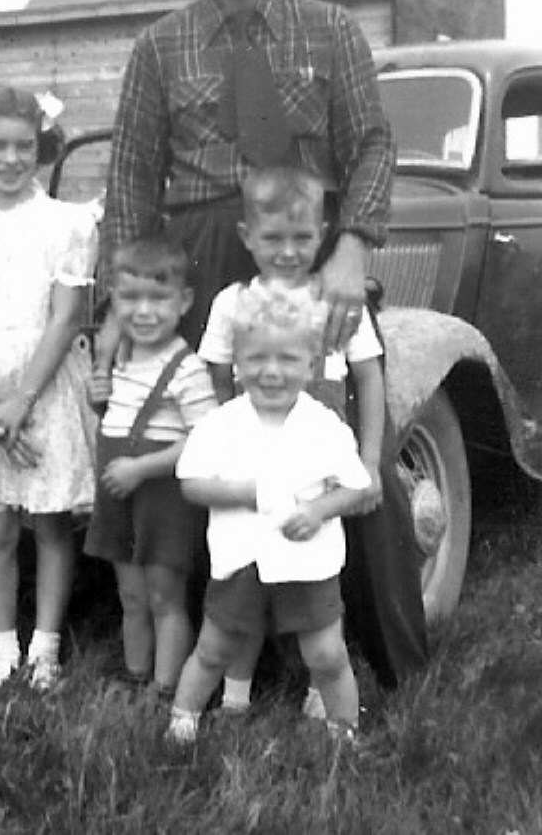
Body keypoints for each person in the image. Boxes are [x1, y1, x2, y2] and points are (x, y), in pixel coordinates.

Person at [100, 0, 395, 353]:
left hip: (308, 256)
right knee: (198, 416)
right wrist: (118, 306)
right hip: (197, 263)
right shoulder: (159, 46)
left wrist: (351, 249)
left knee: (326, 411)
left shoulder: (332, 30)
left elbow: (372, 147)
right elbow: (131, 183)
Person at [198, 164, 393, 710]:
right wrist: (225, 451)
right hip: (255, 459)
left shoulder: (336, 299)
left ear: (324, 232)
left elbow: (369, 375)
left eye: (303, 238)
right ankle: (239, 685)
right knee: (244, 566)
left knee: (324, 569)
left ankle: (319, 682)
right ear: (247, 237)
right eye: (273, 239)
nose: (288, 251)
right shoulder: (231, 302)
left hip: (320, 463)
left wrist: (370, 460)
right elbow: (215, 377)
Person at [0, 83, 97, 691]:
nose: (10, 158)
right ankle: (3, 651)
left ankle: (45, 648)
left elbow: (66, 318)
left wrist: (21, 401)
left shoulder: (69, 223)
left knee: (52, 521)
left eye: (24, 146)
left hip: (45, 383)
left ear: (44, 149)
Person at [167, 281, 371, 745]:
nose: (272, 372)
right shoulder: (221, 425)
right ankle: (182, 720)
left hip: (307, 562)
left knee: (326, 653)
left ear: (312, 363)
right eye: (257, 359)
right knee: (215, 646)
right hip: (242, 556)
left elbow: (355, 486)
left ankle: (345, 733)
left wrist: (319, 510)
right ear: (237, 364)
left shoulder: (323, 425)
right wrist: (242, 492)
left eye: (287, 360)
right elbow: (191, 483)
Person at [83, 235, 218, 697]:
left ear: (183, 302)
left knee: (164, 595)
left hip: (161, 498)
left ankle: (164, 688)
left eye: (158, 299)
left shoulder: (186, 367)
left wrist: (142, 470)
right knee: (132, 595)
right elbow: (116, 419)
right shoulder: (119, 359)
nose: (143, 312)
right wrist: (97, 400)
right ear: (114, 301)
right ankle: (135, 674)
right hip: (121, 495)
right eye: (130, 298)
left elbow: (203, 439)